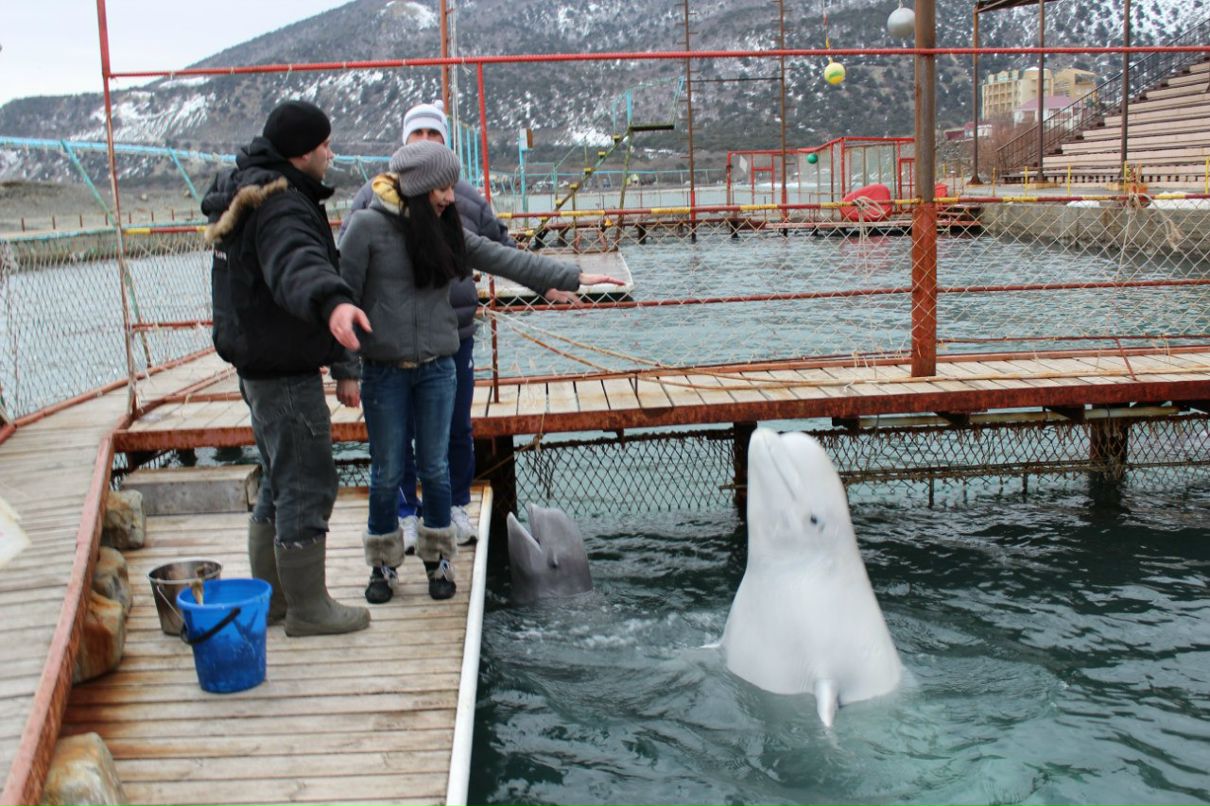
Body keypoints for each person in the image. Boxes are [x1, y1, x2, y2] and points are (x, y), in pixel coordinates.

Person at [339, 140, 624, 602]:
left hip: (437, 368)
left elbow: (502, 257)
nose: (451, 197)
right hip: (384, 372)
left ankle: (438, 558)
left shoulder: (444, 228)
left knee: (435, 469)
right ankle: (383, 564)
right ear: (417, 187)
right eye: (443, 188)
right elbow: (342, 299)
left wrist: (567, 278)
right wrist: (345, 370)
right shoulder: (365, 229)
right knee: (387, 471)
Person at [202, 99, 371, 636]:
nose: (330, 152)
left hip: (257, 366)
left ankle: (273, 600)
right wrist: (333, 303)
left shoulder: (253, 191)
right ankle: (307, 608)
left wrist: (342, 358)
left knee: (280, 478)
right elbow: (297, 262)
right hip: (282, 369)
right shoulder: (282, 205)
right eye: (324, 144)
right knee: (306, 480)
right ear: (302, 152)